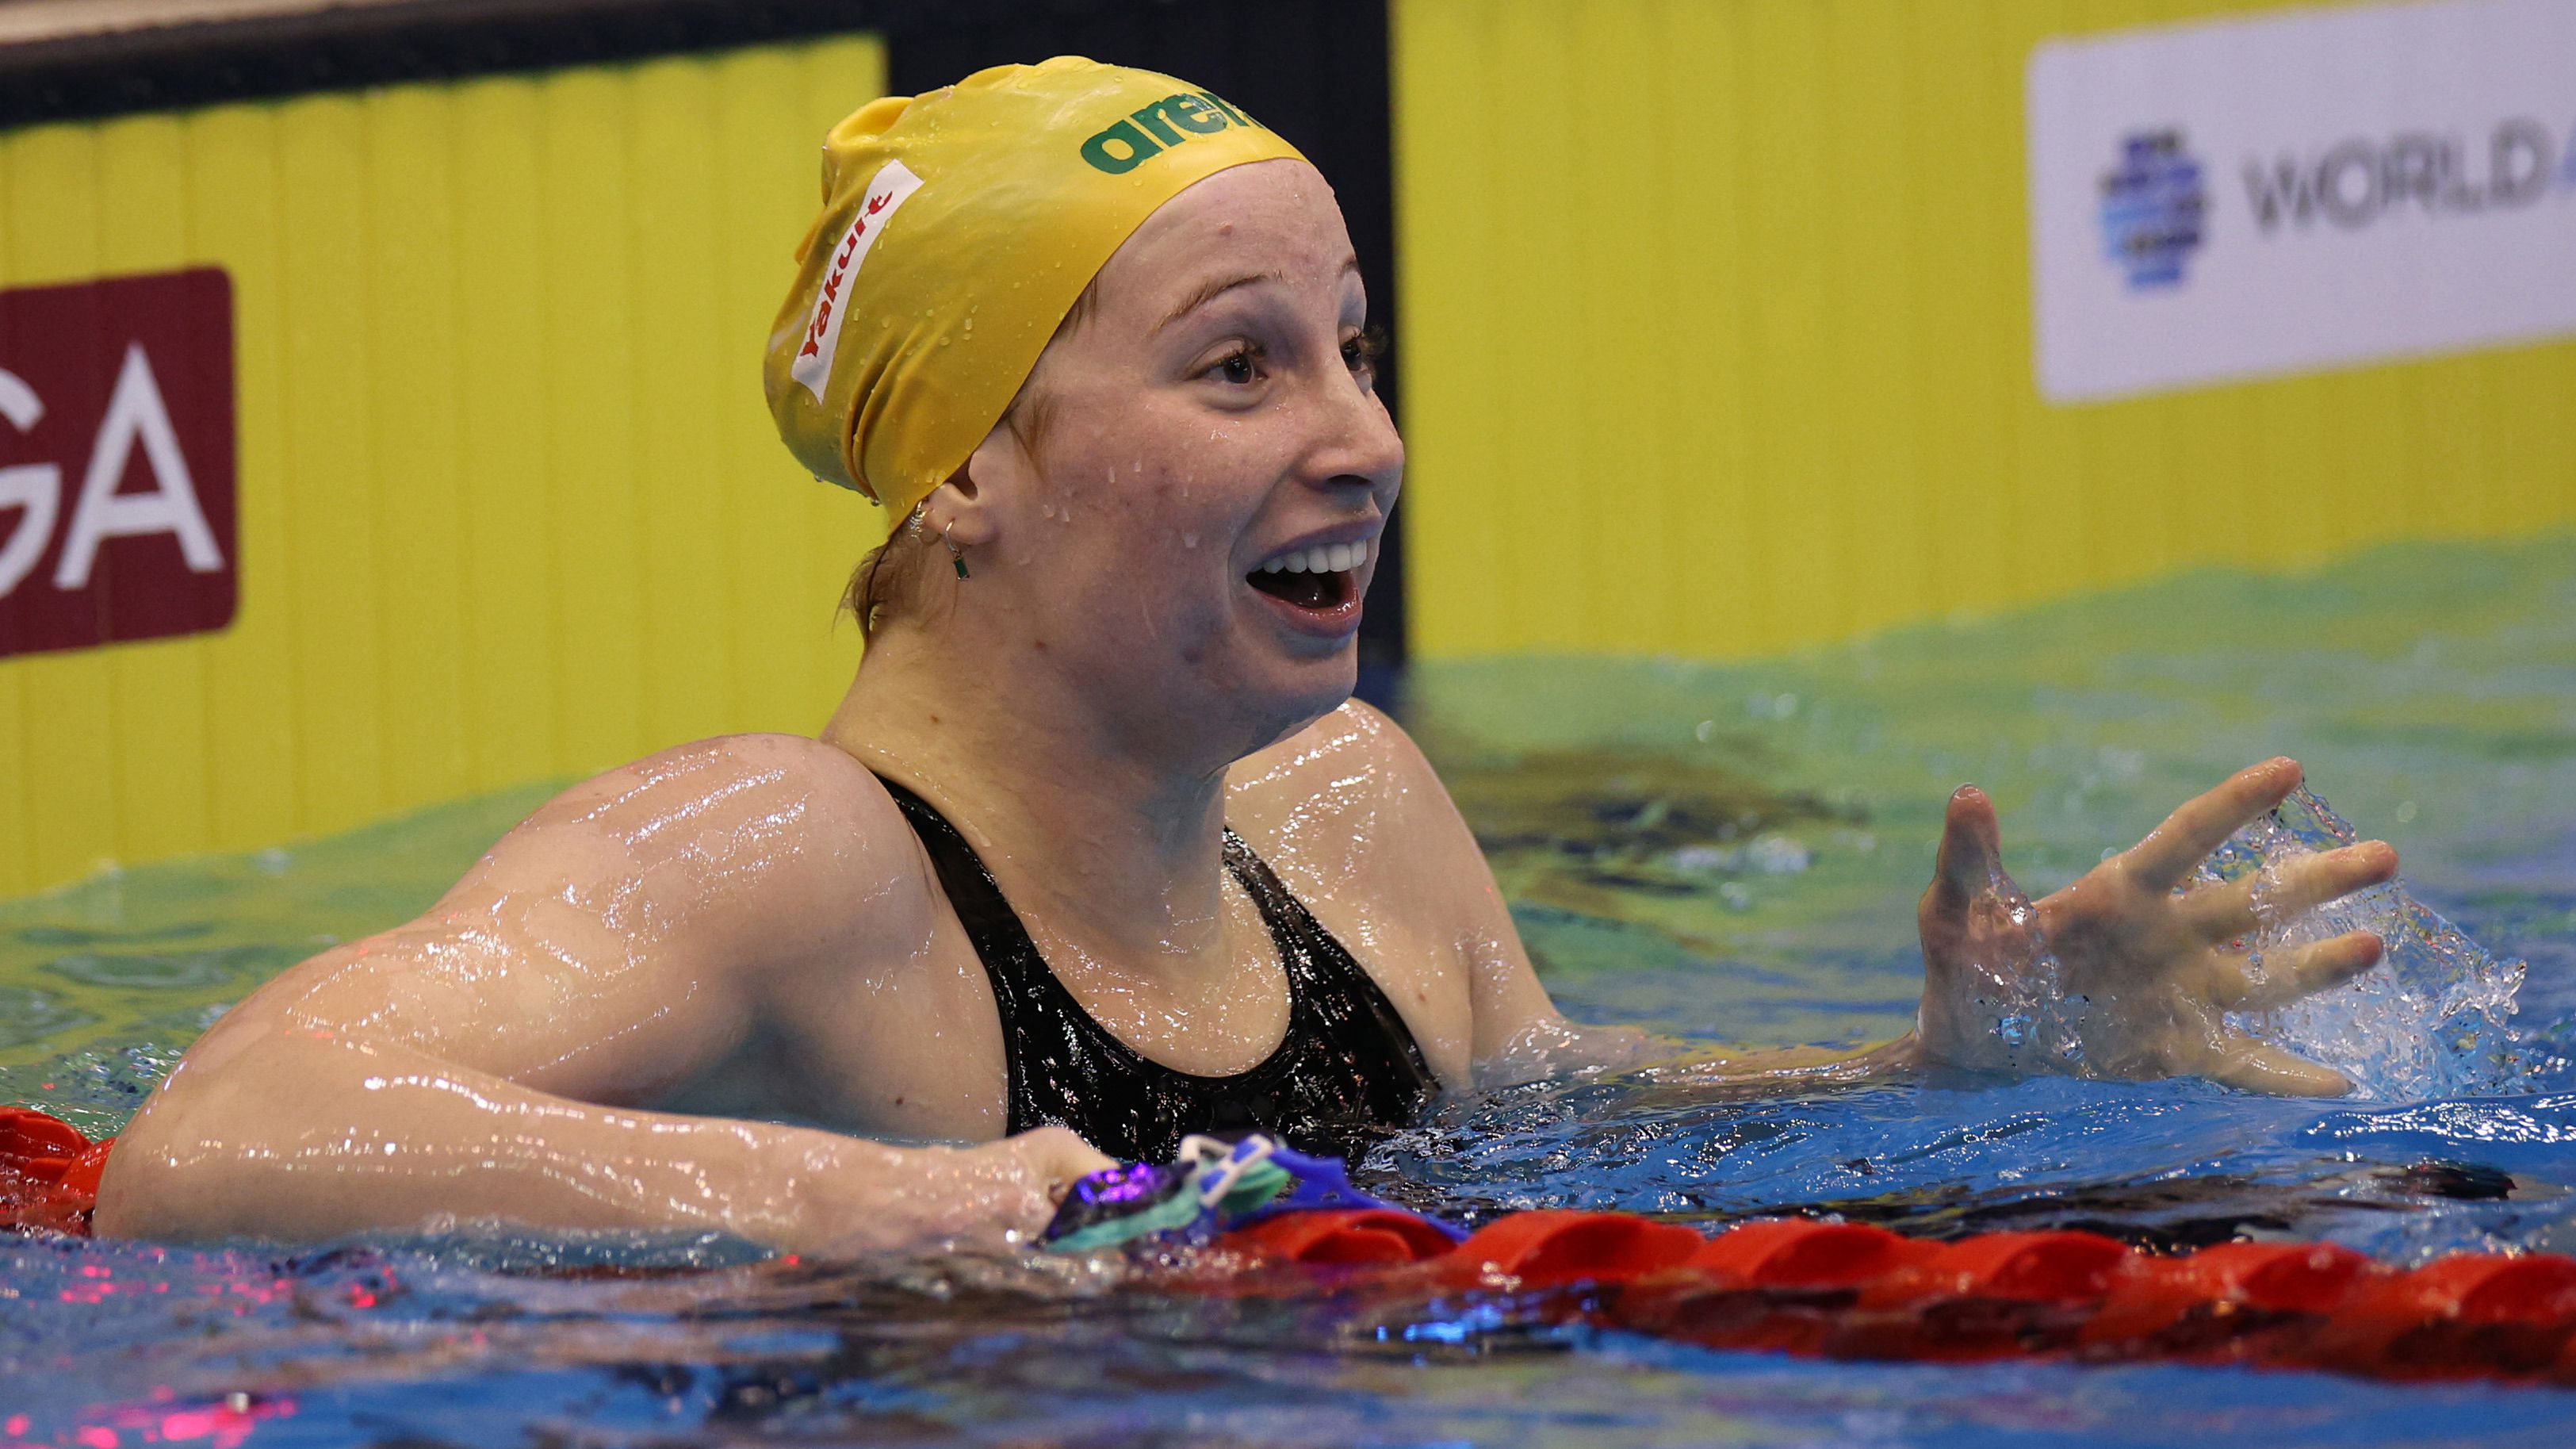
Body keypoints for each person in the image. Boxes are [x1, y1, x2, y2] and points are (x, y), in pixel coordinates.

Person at [90, 59, 2398, 1256]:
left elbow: (1555, 1125)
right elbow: (216, 1141)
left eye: (1353, 350)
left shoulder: (1350, 813)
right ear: (969, 466)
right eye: (1238, 369)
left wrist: (1936, 1070)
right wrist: (851, 1193)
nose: (1361, 438)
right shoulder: (790, 862)